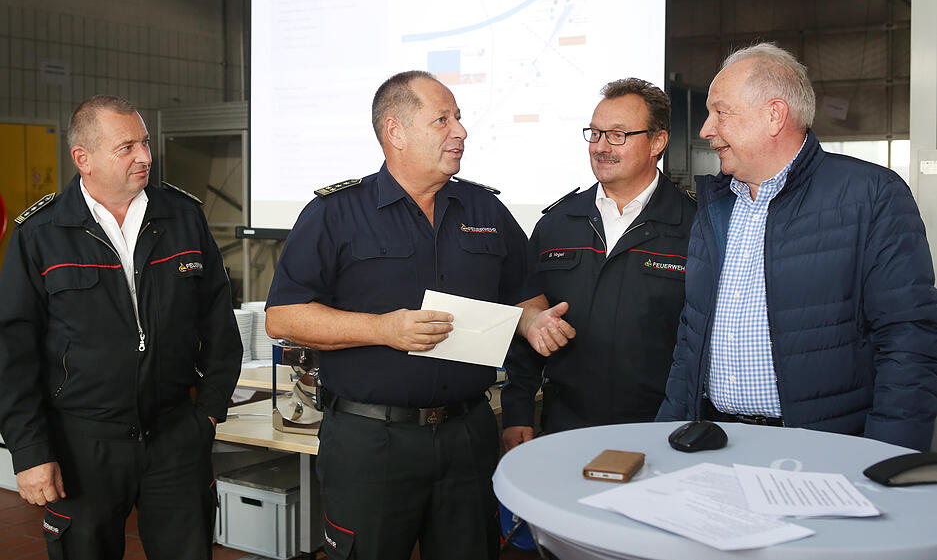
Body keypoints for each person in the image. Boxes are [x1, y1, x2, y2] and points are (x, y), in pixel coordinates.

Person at [264, 70, 572, 560]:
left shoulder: (485, 208)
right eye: (442, 120)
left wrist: (533, 321)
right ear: (396, 131)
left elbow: (523, 294)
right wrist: (383, 329)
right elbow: (282, 318)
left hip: (467, 434)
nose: (461, 131)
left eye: (460, 118)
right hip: (370, 441)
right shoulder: (335, 213)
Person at [657, 43, 937, 451]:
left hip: (824, 451)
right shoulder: (715, 205)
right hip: (712, 442)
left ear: (774, 115)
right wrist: (667, 434)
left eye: (721, 111)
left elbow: (909, 340)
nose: (705, 129)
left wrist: (887, 458)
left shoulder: (871, 195)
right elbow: (692, 334)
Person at [0, 95, 242, 559]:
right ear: (82, 159)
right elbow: (14, 355)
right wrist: (30, 451)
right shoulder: (42, 234)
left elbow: (219, 325)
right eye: (126, 147)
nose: (145, 157)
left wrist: (207, 416)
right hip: (82, 445)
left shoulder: (182, 217)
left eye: (146, 143)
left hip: (175, 436)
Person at [500, 78, 696, 450]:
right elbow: (527, 323)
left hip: (662, 433)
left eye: (618, 135)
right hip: (565, 430)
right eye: (595, 133)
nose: (601, 146)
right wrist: (517, 412)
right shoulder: (557, 225)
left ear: (658, 142)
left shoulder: (694, 227)